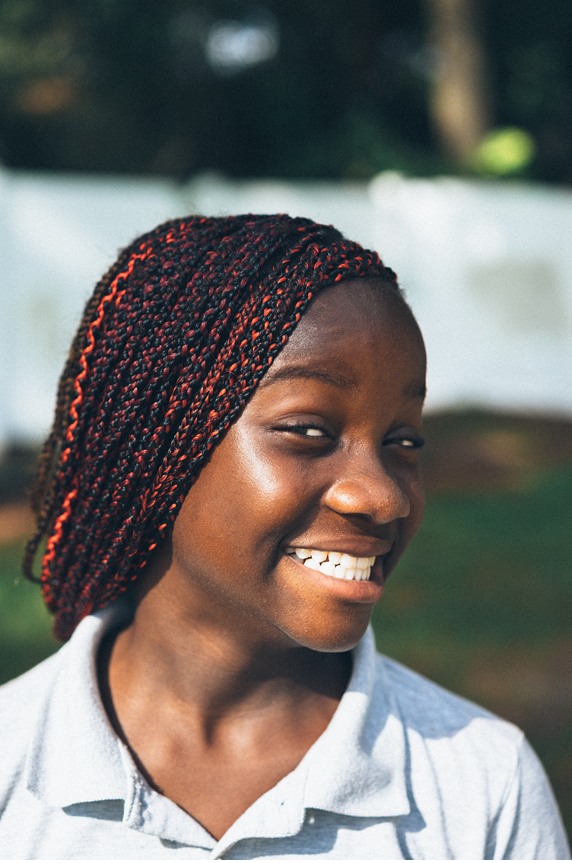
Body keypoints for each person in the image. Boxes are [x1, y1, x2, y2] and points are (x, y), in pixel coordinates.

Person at [0, 214, 568, 860]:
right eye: (308, 431)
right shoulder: (12, 773)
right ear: (158, 448)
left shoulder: (483, 789)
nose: (382, 495)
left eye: (402, 441)